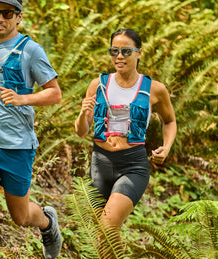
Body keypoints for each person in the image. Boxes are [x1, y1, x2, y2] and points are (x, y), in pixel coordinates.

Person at [0, 0, 63, 258]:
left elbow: (55, 94)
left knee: (21, 216)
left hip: (16, 147)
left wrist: (22, 98)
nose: (0, 18)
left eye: (7, 13)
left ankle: (48, 223)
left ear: (19, 17)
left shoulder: (31, 51)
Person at [74, 28, 177, 255]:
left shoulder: (155, 89)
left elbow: (169, 121)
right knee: (103, 235)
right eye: (114, 51)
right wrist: (83, 114)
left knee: (108, 225)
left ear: (139, 53)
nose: (119, 56)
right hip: (100, 163)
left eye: (126, 51)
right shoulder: (98, 84)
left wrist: (166, 147)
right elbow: (81, 131)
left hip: (132, 166)